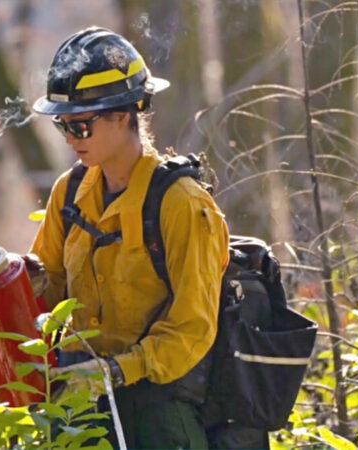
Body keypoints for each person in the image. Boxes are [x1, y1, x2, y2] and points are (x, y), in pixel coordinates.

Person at [28, 27, 230, 449]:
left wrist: (115, 372)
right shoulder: (68, 194)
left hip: (159, 409)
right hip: (79, 408)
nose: (69, 139)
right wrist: (27, 286)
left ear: (122, 116)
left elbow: (191, 329)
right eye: (62, 125)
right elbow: (49, 300)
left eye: (80, 126)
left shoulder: (182, 205)